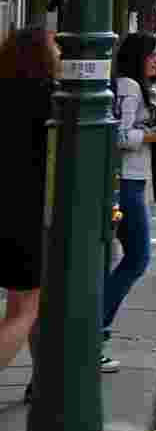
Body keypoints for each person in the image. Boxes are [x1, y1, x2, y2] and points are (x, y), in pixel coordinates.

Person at [104, 33, 156, 362]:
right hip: (126, 182)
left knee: (127, 257)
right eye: (152, 55)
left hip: (130, 180)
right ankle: (96, 329)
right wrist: (153, 134)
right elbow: (118, 135)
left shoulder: (131, 86)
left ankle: (96, 329)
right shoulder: (129, 87)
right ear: (137, 57)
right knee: (137, 258)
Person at [1, 28, 59, 393]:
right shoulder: (49, 98)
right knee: (28, 310)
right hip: (28, 214)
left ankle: (44, 383)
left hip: (6, 210)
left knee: (19, 305)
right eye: (55, 48)